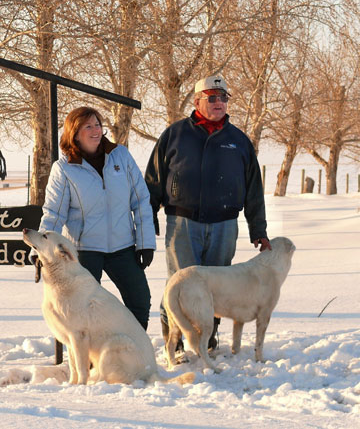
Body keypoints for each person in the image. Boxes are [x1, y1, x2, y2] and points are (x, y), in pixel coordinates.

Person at [144, 75, 271, 350]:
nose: (218, 103)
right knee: (179, 285)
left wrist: (258, 230)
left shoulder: (238, 141)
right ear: (197, 100)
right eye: (212, 97)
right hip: (182, 223)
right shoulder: (175, 134)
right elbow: (153, 180)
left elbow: (253, 190)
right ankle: (173, 344)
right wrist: (146, 220)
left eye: (223, 97)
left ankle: (206, 341)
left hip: (225, 225)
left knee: (216, 287)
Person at [33, 106, 156, 330]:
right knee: (85, 308)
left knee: (140, 300)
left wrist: (145, 243)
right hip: (84, 251)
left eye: (98, 124)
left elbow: (140, 201)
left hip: (123, 247)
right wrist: (40, 250)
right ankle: (91, 359)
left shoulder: (121, 156)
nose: (95, 130)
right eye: (88, 126)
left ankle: (135, 349)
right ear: (74, 133)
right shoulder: (64, 169)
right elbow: (54, 213)